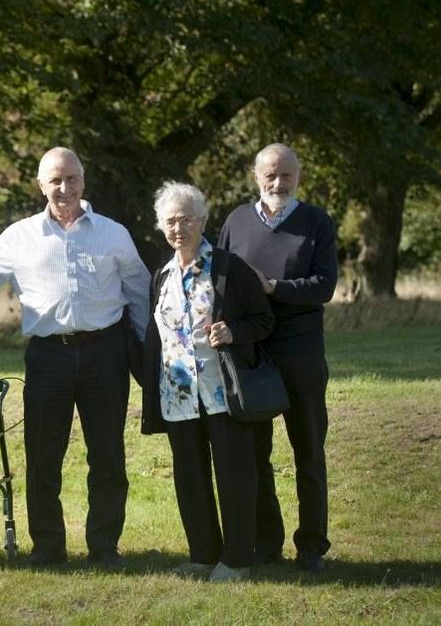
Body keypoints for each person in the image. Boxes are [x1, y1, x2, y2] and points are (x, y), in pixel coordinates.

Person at [0, 147, 151, 568]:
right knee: (43, 455)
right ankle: (48, 547)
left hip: (106, 353)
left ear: (83, 182)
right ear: (41, 185)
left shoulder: (112, 232)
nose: (63, 188)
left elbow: (138, 288)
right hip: (48, 357)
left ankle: (104, 546)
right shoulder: (20, 236)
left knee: (107, 453)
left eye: (71, 179)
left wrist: (142, 347)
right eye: (55, 181)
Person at [141, 181, 274, 582]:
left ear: (202, 220)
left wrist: (234, 332)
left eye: (186, 219)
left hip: (224, 392)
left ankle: (237, 560)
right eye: (170, 221)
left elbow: (264, 320)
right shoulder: (161, 276)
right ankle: (202, 553)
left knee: (234, 475)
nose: (178, 227)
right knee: (190, 476)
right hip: (178, 395)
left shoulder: (229, 268)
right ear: (161, 227)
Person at [217, 143, 338, 572]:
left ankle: (311, 548)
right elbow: (222, 281)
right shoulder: (236, 222)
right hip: (252, 354)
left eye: (286, 175)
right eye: (270, 174)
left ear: (298, 177)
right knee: (255, 455)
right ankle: (266, 544)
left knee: (308, 451)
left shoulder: (316, 223)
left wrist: (274, 288)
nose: (278, 183)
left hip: (301, 354)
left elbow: (324, 287)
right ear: (256, 176)